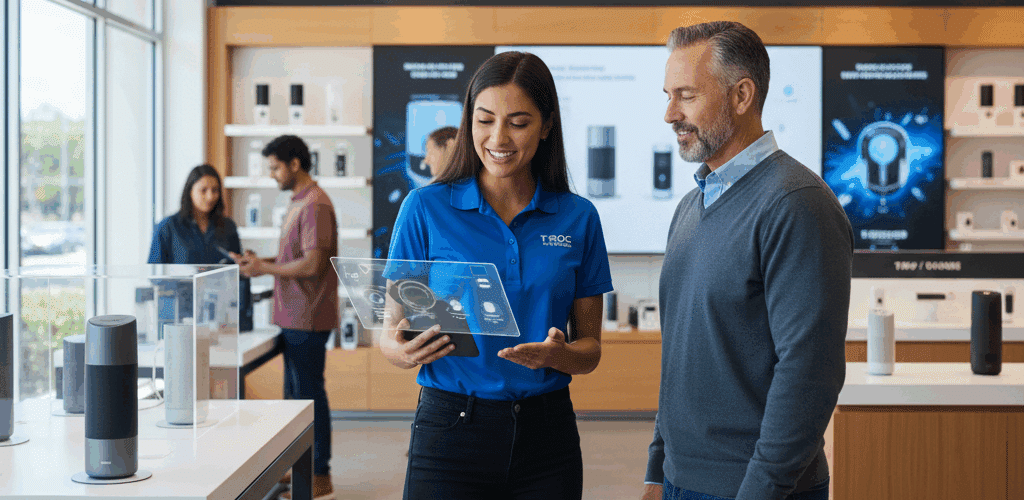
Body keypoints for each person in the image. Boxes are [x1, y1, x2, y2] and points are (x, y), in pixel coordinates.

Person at [383, 51, 613, 500]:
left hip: (547, 435)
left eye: (519, 122)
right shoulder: (424, 209)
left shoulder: (578, 218)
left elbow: (590, 350)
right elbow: (390, 334)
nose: (498, 137)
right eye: (485, 120)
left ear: (547, 126)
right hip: (449, 429)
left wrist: (557, 356)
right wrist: (403, 351)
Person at [641, 21, 853, 500]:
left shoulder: (797, 204)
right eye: (668, 95)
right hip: (681, 481)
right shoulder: (691, 207)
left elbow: (809, 372)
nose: (670, 113)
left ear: (741, 95)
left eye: (686, 95)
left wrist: (760, 491)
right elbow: (681, 354)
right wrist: (659, 467)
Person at [231, 135, 338, 500]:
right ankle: (303, 468)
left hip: (307, 317)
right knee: (295, 397)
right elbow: (297, 256)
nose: (273, 175)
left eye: (275, 167)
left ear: (295, 164)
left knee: (307, 396)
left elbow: (313, 263)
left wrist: (264, 268)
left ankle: (319, 474)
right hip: (293, 316)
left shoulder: (315, 205)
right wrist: (261, 263)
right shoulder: (299, 202)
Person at [147, 164, 252, 331]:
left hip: (219, 318)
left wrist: (242, 264)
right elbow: (154, 275)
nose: (210, 196)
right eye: (203, 190)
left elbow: (236, 276)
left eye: (215, 190)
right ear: (190, 191)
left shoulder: (228, 227)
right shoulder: (168, 227)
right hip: (179, 317)